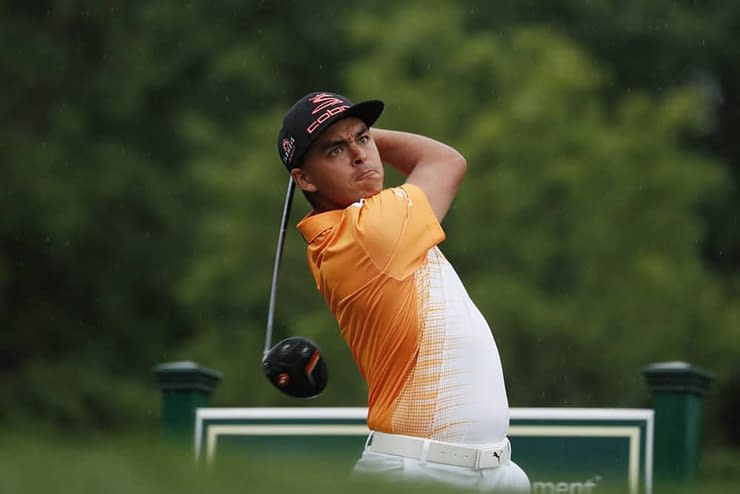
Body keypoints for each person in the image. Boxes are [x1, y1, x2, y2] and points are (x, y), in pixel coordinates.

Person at [276, 91, 530, 492]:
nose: (360, 155)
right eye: (335, 150)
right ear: (304, 179)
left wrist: (344, 136)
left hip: (489, 472)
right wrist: (365, 134)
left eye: (363, 139)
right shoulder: (368, 232)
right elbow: (446, 160)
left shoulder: (361, 226)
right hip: (420, 471)